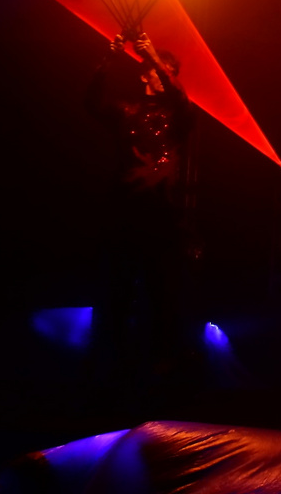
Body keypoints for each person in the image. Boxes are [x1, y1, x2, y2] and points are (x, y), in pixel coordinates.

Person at [85, 33, 198, 394]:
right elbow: (90, 101)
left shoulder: (177, 115)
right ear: (144, 75)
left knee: (162, 289)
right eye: (158, 68)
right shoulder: (126, 110)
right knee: (116, 288)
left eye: (169, 70)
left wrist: (150, 51)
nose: (165, 73)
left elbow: (180, 98)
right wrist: (108, 57)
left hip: (163, 216)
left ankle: (163, 363)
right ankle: (112, 362)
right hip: (124, 210)